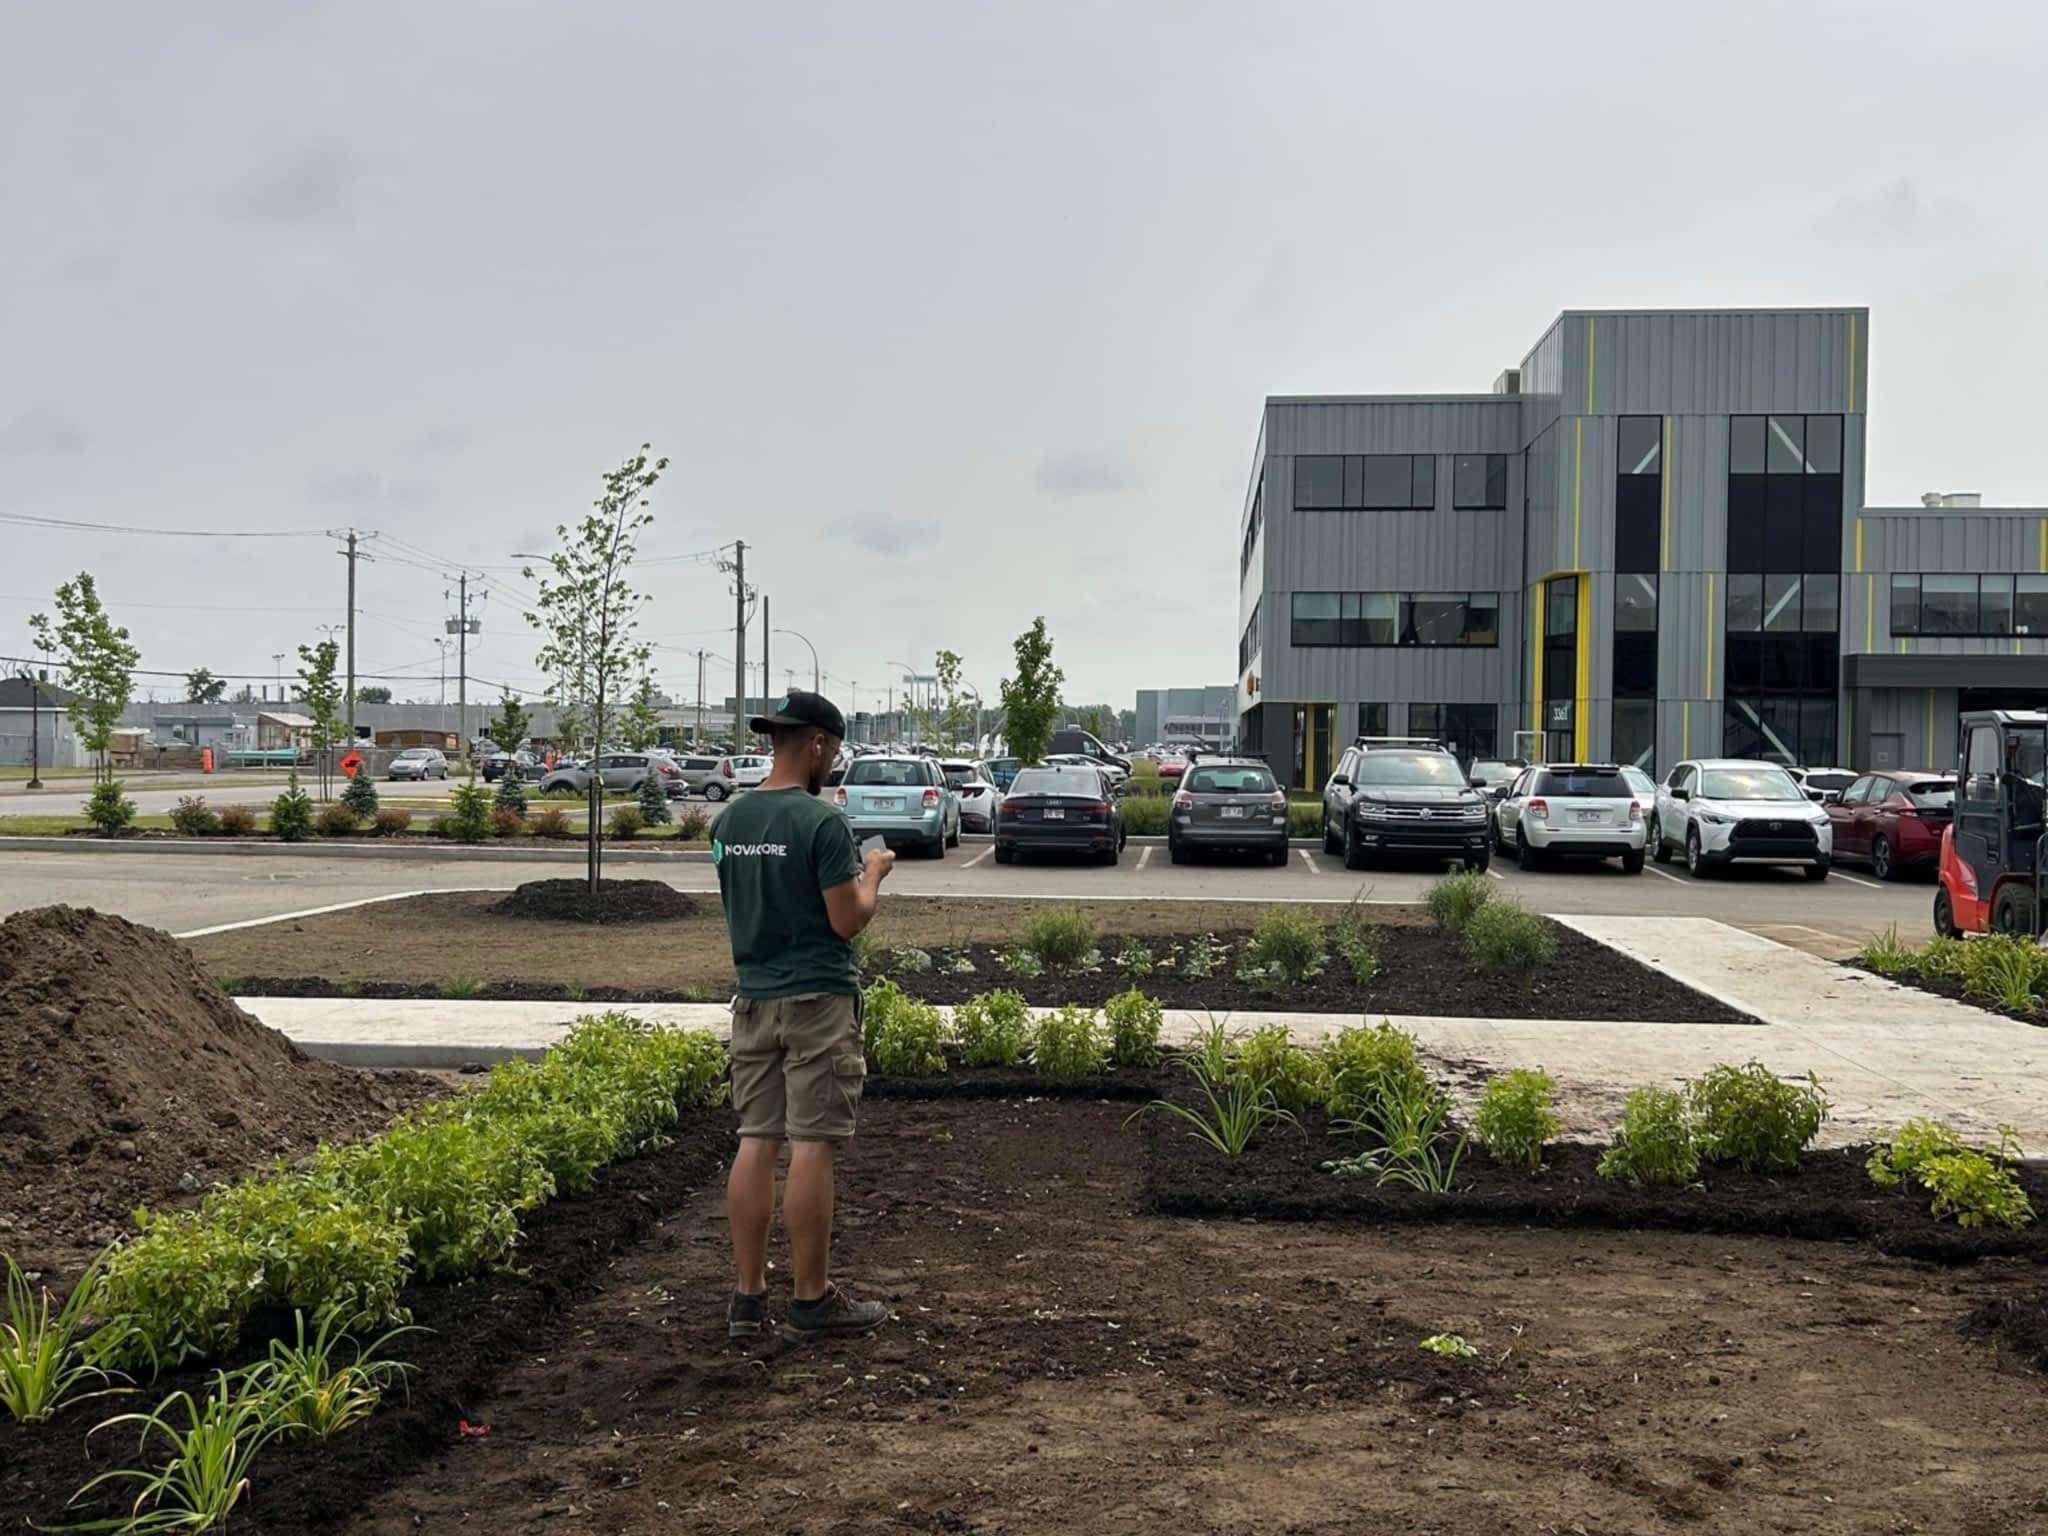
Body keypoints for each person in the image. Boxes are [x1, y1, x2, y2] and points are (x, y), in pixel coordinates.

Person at [714, 690, 894, 1342]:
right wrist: (873, 873)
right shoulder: (822, 824)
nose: (833, 764)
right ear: (817, 743)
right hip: (818, 1000)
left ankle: (746, 1298)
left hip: (753, 999)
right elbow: (846, 919)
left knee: (757, 1139)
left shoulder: (729, 823)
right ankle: (812, 1300)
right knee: (812, 1142)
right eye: (835, 751)